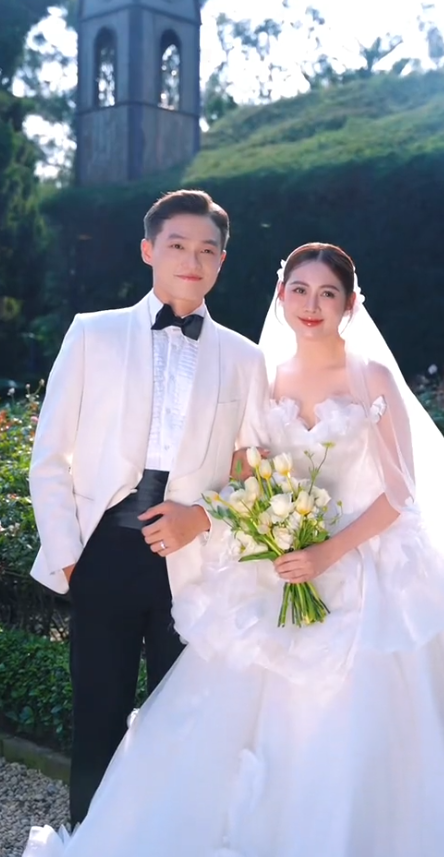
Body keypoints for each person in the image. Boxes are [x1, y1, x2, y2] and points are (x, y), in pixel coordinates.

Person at [25, 243, 444, 856]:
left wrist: (328, 553)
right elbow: (247, 468)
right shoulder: (266, 374)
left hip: (363, 562)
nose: (312, 305)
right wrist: (259, 523)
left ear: (350, 305)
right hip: (281, 558)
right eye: (300, 290)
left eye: (328, 294)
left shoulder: (372, 376)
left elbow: (400, 494)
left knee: (357, 721)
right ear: (281, 296)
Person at [27, 189, 268, 828]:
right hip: (101, 554)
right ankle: (89, 838)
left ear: (222, 261)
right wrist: (71, 560)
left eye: (207, 250)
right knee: (98, 718)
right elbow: (49, 457)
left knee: (184, 725)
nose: (192, 260)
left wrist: (205, 517)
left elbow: (257, 473)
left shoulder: (246, 359)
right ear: (148, 250)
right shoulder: (93, 334)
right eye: (177, 245)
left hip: (194, 566)